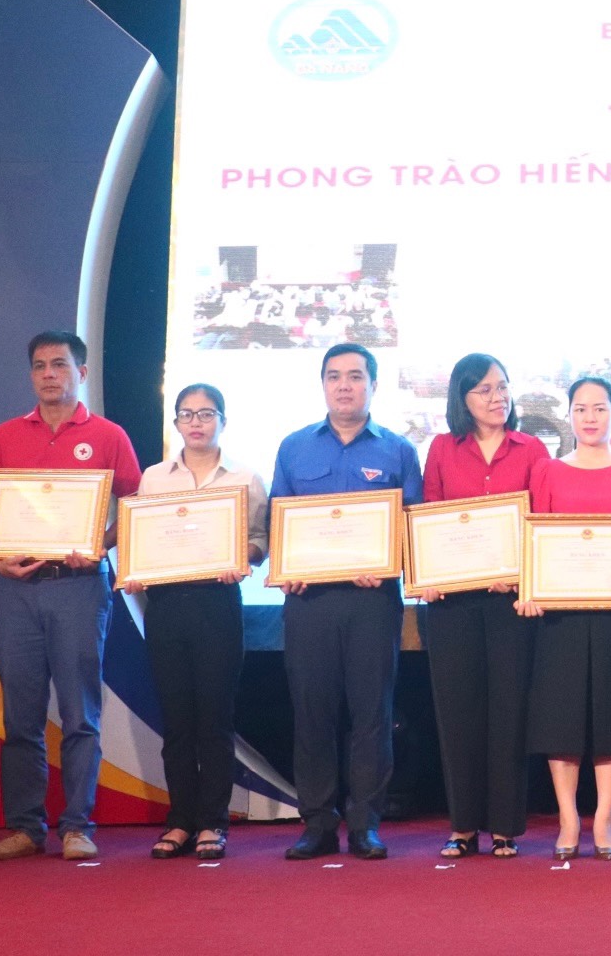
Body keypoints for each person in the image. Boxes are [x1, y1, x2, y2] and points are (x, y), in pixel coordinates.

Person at [0, 330, 142, 862]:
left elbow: (134, 506)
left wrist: (100, 544)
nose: (50, 374)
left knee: (79, 713)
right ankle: (25, 827)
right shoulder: (3, 436)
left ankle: (76, 824)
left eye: (60, 365)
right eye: (41, 366)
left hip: (78, 587)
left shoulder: (109, 434)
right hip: (16, 590)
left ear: (82, 373)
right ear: (31, 375)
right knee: (20, 715)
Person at [271, 342, 424, 861]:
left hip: (372, 603)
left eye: (355, 376)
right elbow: (279, 523)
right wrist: (286, 567)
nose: (344, 385)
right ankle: (316, 823)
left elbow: (413, 531)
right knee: (312, 714)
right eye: (334, 376)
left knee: (371, 715)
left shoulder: (398, 451)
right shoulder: (293, 448)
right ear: (323, 385)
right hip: (309, 603)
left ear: (373, 386)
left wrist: (387, 562)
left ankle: (365, 823)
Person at [126, 383, 269, 861]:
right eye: (186, 414)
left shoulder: (245, 478)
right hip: (166, 608)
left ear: (222, 421)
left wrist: (241, 555)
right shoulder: (154, 478)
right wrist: (136, 571)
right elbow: (141, 541)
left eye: (206, 413)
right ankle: (180, 820)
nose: (196, 422)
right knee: (178, 721)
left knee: (215, 719)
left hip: (218, 605)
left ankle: (213, 821)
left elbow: (259, 542)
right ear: (176, 423)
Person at [517, 377, 611, 861]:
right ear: (569, 416)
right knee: (562, 719)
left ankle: (604, 818)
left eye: (600, 408)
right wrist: (531, 589)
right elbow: (536, 540)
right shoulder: (548, 471)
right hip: (562, 617)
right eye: (581, 409)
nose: (590, 417)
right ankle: (568, 817)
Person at [419, 352, 547, 859]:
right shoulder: (442, 449)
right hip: (452, 604)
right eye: (484, 390)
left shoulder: (533, 448)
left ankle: (506, 827)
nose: (497, 398)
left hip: (511, 603)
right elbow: (428, 517)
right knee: (458, 712)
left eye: (502, 387)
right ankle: (463, 825)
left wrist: (521, 573)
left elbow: (539, 522)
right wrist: (426, 574)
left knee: (509, 711)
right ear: (462, 399)